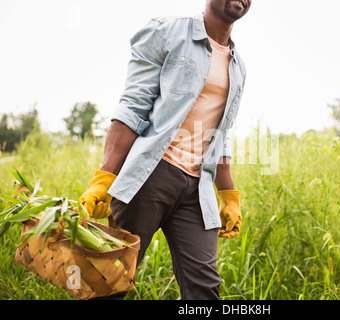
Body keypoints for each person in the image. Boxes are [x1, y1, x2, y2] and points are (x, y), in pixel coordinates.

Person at [79, 0, 252, 300]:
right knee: (111, 280)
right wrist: (105, 177)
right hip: (151, 175)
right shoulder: (166, 33)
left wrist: (228, 195)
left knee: (204, 288)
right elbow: (132, 108)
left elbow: (221, 135)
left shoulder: (238, 67)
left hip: (198, 191)